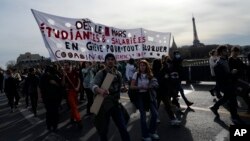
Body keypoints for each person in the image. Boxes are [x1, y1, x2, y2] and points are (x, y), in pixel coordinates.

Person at [91, 53, 131, 141]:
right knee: (103, 130)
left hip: (115, 104)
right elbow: (93, 86)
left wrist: (122, 89)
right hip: (103, 104)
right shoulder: (101, 73)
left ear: (115, 61)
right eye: (108, 59)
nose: (110, 61)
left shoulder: (118, 74)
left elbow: (118, 88)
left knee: (122, 127)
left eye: (112, 59)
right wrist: (100, 90)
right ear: (105, 62)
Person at [210, 45, 244, 124]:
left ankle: (215, 107)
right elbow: (222, 77)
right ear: (221, 52)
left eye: (227, 50)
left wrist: (232, 73)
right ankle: (234, 117)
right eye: (225, 51)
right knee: (232, 99)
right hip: (225, 84)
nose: (227, 52)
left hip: (230, 83)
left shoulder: (226, 60)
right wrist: (231, 73)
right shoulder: (218, 64)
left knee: (226, 98)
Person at [130, 59, 159, 141]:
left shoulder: (149, 74)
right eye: (141, 65)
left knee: (155, 114)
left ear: (147, 66)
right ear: (139, 66)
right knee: (143, 116)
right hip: (139, 96)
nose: (142, 67)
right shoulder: (136, 74)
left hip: (148, 95)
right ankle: (145, 135)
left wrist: (151, 86)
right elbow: (131, 86)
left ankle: (152, 132)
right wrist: (140, 87)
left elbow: (154, 83)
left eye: (144, 65)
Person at [39, 66, 63, 131]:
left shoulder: (45, 77)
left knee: (50, 112)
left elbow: (60, 85)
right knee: (54, 112)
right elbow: (60, 86)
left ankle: (50, 125)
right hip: (52, 97)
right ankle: (53, 125)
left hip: (50, 98)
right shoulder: (51, 77)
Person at [63, 61, 83, 129]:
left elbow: (79, 80)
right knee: (74, 106)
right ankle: (79, 120)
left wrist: (78, 87)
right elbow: (62, 84)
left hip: (75, 91)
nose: (65, 67)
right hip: (69, 92)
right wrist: (63, 75)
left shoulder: (74, 72)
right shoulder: (64, 73)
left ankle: (72, 118)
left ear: (70, 65)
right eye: (64, 65)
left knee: (74, 105)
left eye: (66, 65)